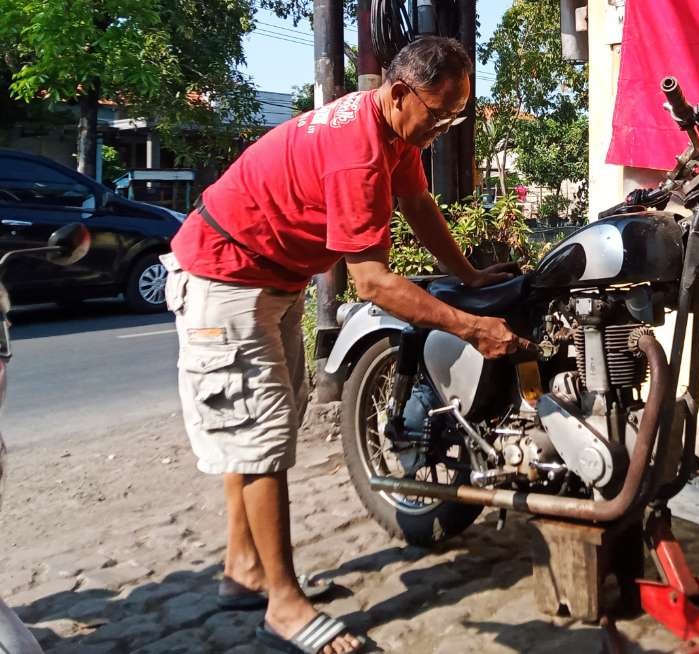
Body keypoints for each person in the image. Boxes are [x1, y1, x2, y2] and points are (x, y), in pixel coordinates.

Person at [163, 36, 531, 654]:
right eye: (438, 112)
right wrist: (470, 327)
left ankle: (243, 570)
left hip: (272, 280)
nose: (443, 126)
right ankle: (283, 605)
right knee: (262, 436)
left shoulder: (396, 133)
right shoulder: (356, 152)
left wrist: (469, 277)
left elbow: (417, 204)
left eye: (455, 115)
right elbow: (374, 283)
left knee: (262, 428)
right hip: (223, 277)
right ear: (397, 94)